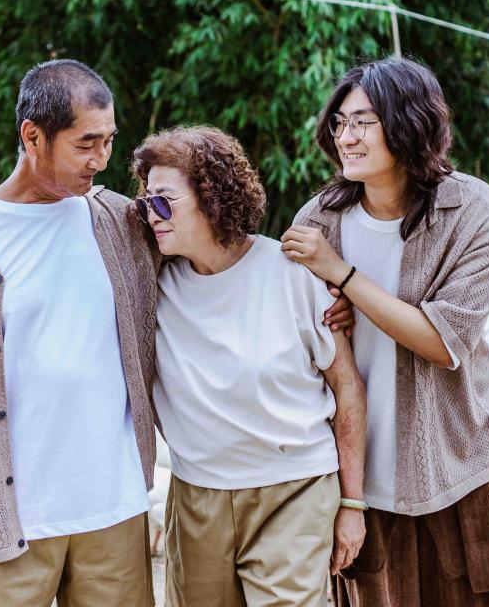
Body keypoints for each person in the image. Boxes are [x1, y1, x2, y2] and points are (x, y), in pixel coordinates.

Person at [282, 57, 489, 605]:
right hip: (362, 488)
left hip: (463, 472)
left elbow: (444, 343)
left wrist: (343, 278)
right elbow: (295, 340)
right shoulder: (318, 221)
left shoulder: (472, 209)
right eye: (339, 123)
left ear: (410, 123)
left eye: (363, 122)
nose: (346, 137)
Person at [0, 59, 159, 606]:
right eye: (86, 143)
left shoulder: (123, 223)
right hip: (6, 519)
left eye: (109, 141)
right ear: (33, 137)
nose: (101, 159)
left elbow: (208, 268)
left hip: (113, 509)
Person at [130, 125, 367, 606]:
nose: (152, 214)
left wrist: (352, 503)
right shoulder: (150, 284)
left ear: (212, 197)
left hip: (294, 492)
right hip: (198, 495)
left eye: (164, 201)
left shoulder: (292, 273)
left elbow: (347, 389)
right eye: (145, 202)